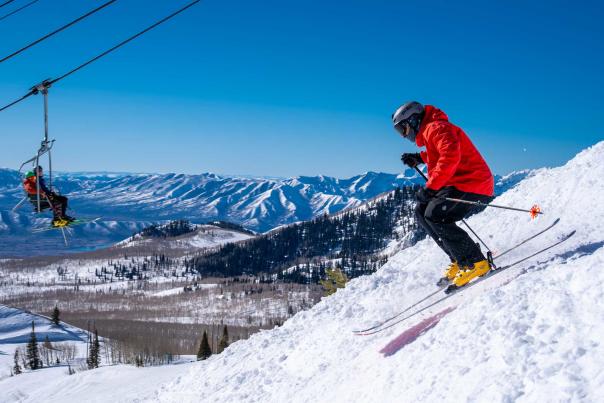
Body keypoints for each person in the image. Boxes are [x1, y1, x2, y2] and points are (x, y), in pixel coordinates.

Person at [393, 101, 494, 287]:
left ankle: (475, 262)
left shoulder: (437, 128)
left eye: (403, 129)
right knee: (421, 211)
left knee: (436, 215)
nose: (404, 135)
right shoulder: (432, 129)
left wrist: (431, 188)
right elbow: (438, 152)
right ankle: (459, 257)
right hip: (461, 183)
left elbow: (450, 156)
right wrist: (419, 158)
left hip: (473, 183)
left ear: (413, 121)